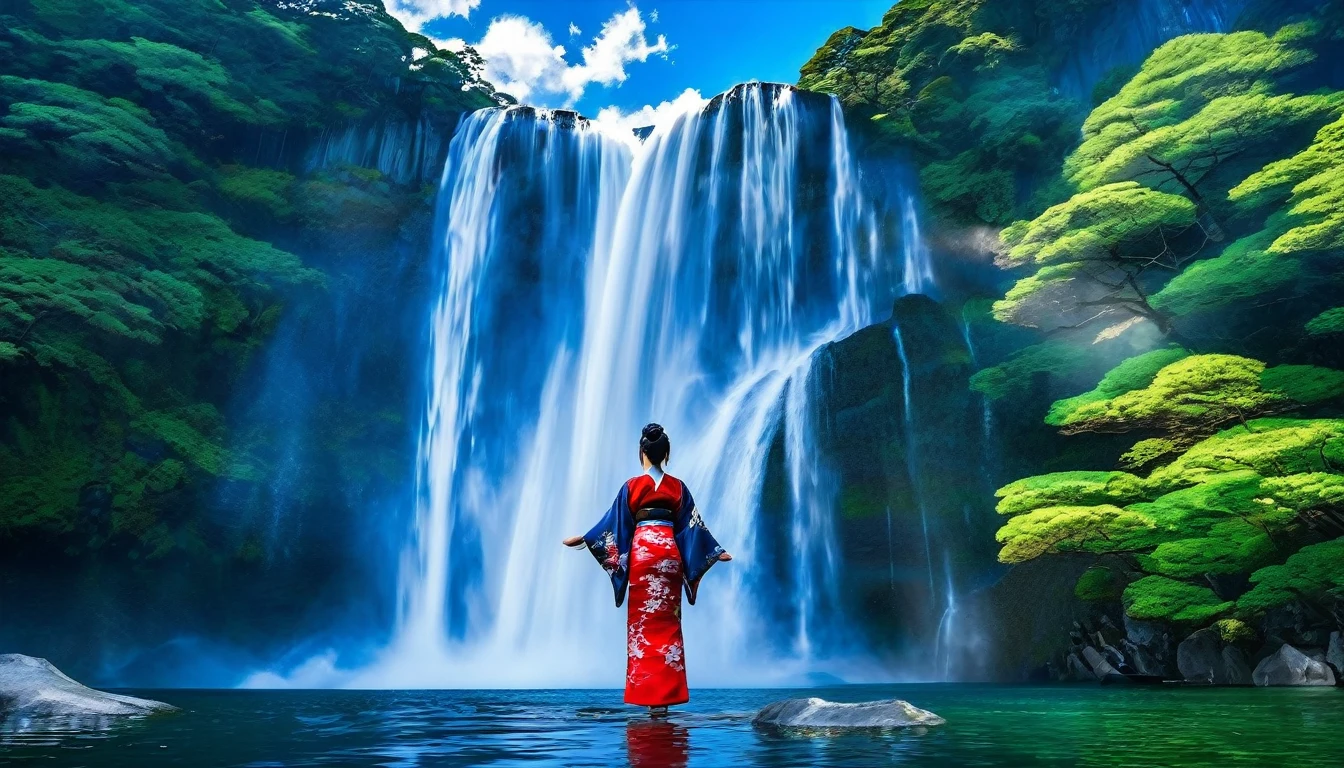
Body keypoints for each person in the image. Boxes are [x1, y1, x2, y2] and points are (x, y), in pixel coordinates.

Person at [563, 423, 732, 714]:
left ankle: (648, 699)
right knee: (668, 627)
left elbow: (613, 524)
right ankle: (665, 702)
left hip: (642, 556)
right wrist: (715, 551)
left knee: (642, 628)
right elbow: (692, 528)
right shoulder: (678, 486)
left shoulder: (631, 486)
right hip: (669, 557)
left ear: (641, 453)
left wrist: (586, 539)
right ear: (666, 453)